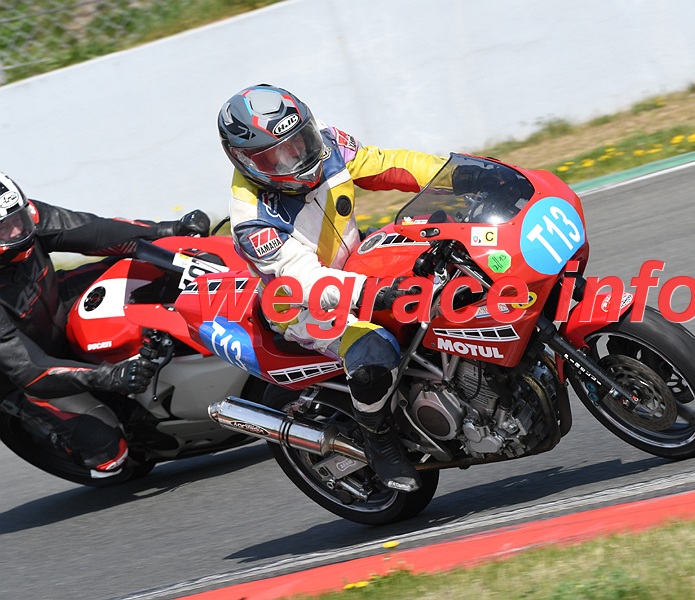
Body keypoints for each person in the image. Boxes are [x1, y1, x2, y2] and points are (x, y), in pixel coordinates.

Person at [217, 84, 449, 492]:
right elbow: (307, 280)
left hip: (356, 261)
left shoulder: (322, 140)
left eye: (300, 141)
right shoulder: (252, 218)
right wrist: (372, 293)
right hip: (304, 305)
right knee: (374, 350)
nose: (297, 157)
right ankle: (379, 439)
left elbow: (383, 164)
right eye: (276, 156)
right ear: (246, 161)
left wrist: (450, 173)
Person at [0, 171, 210, 478]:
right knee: (110, 457)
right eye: (4, 228)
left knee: (150, 267)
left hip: (54, 302)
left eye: (18, 217)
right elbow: (31, 370)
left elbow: (91, 230)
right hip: (21, 378)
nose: (19, 229)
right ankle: (42, 420)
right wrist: (111, 377)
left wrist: (169, 230)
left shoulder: (26, 216)